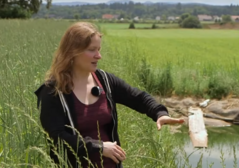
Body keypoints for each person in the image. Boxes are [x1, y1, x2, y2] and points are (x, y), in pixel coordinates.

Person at [34, 22, 184, 168]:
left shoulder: (105, 80)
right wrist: (99, 147)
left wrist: (159, 113)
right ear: (73, 51)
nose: (98, 56)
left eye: (99, 49)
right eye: (92, 50)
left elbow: (137, 97)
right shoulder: (52, 91)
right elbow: (58, 137)